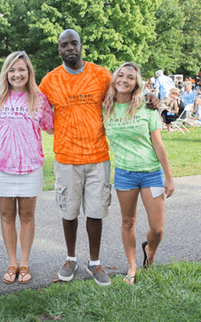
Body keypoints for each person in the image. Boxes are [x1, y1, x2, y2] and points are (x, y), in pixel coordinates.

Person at [38, 29, 159, 287]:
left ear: (81, 46)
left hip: (97, 157)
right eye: (64, 45)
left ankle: (94, 261)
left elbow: (125, 88)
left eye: (74, 43)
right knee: (69, 211)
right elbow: (32, 101)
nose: (69, 48)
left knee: (95, 212)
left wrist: (149, 95)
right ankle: (71, 258)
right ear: (59, 50)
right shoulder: (50, 80)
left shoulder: (101, 74)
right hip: (66, 157)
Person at [0, 51, 54, 284]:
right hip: (2, 166)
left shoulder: (39, 98)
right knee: (6, 215)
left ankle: (24, 262)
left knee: (26, 215)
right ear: (6, 73)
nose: (17, 74)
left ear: (29, 72)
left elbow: (52, 127)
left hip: (30, 166)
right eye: (12, 70)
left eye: (21, 69)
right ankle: (12, 262)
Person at [103, 62, 175, 285]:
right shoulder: (105, 108)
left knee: (158, 228)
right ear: (114, 79)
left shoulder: (147, 107)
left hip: (151, 173)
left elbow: (158, 143)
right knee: (128, 222)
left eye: (130, 77)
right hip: (124, 174)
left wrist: (169, 177)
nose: (124, 80)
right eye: (121, 75)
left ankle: (150, 251)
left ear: (137, 83)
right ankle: (132, 267)